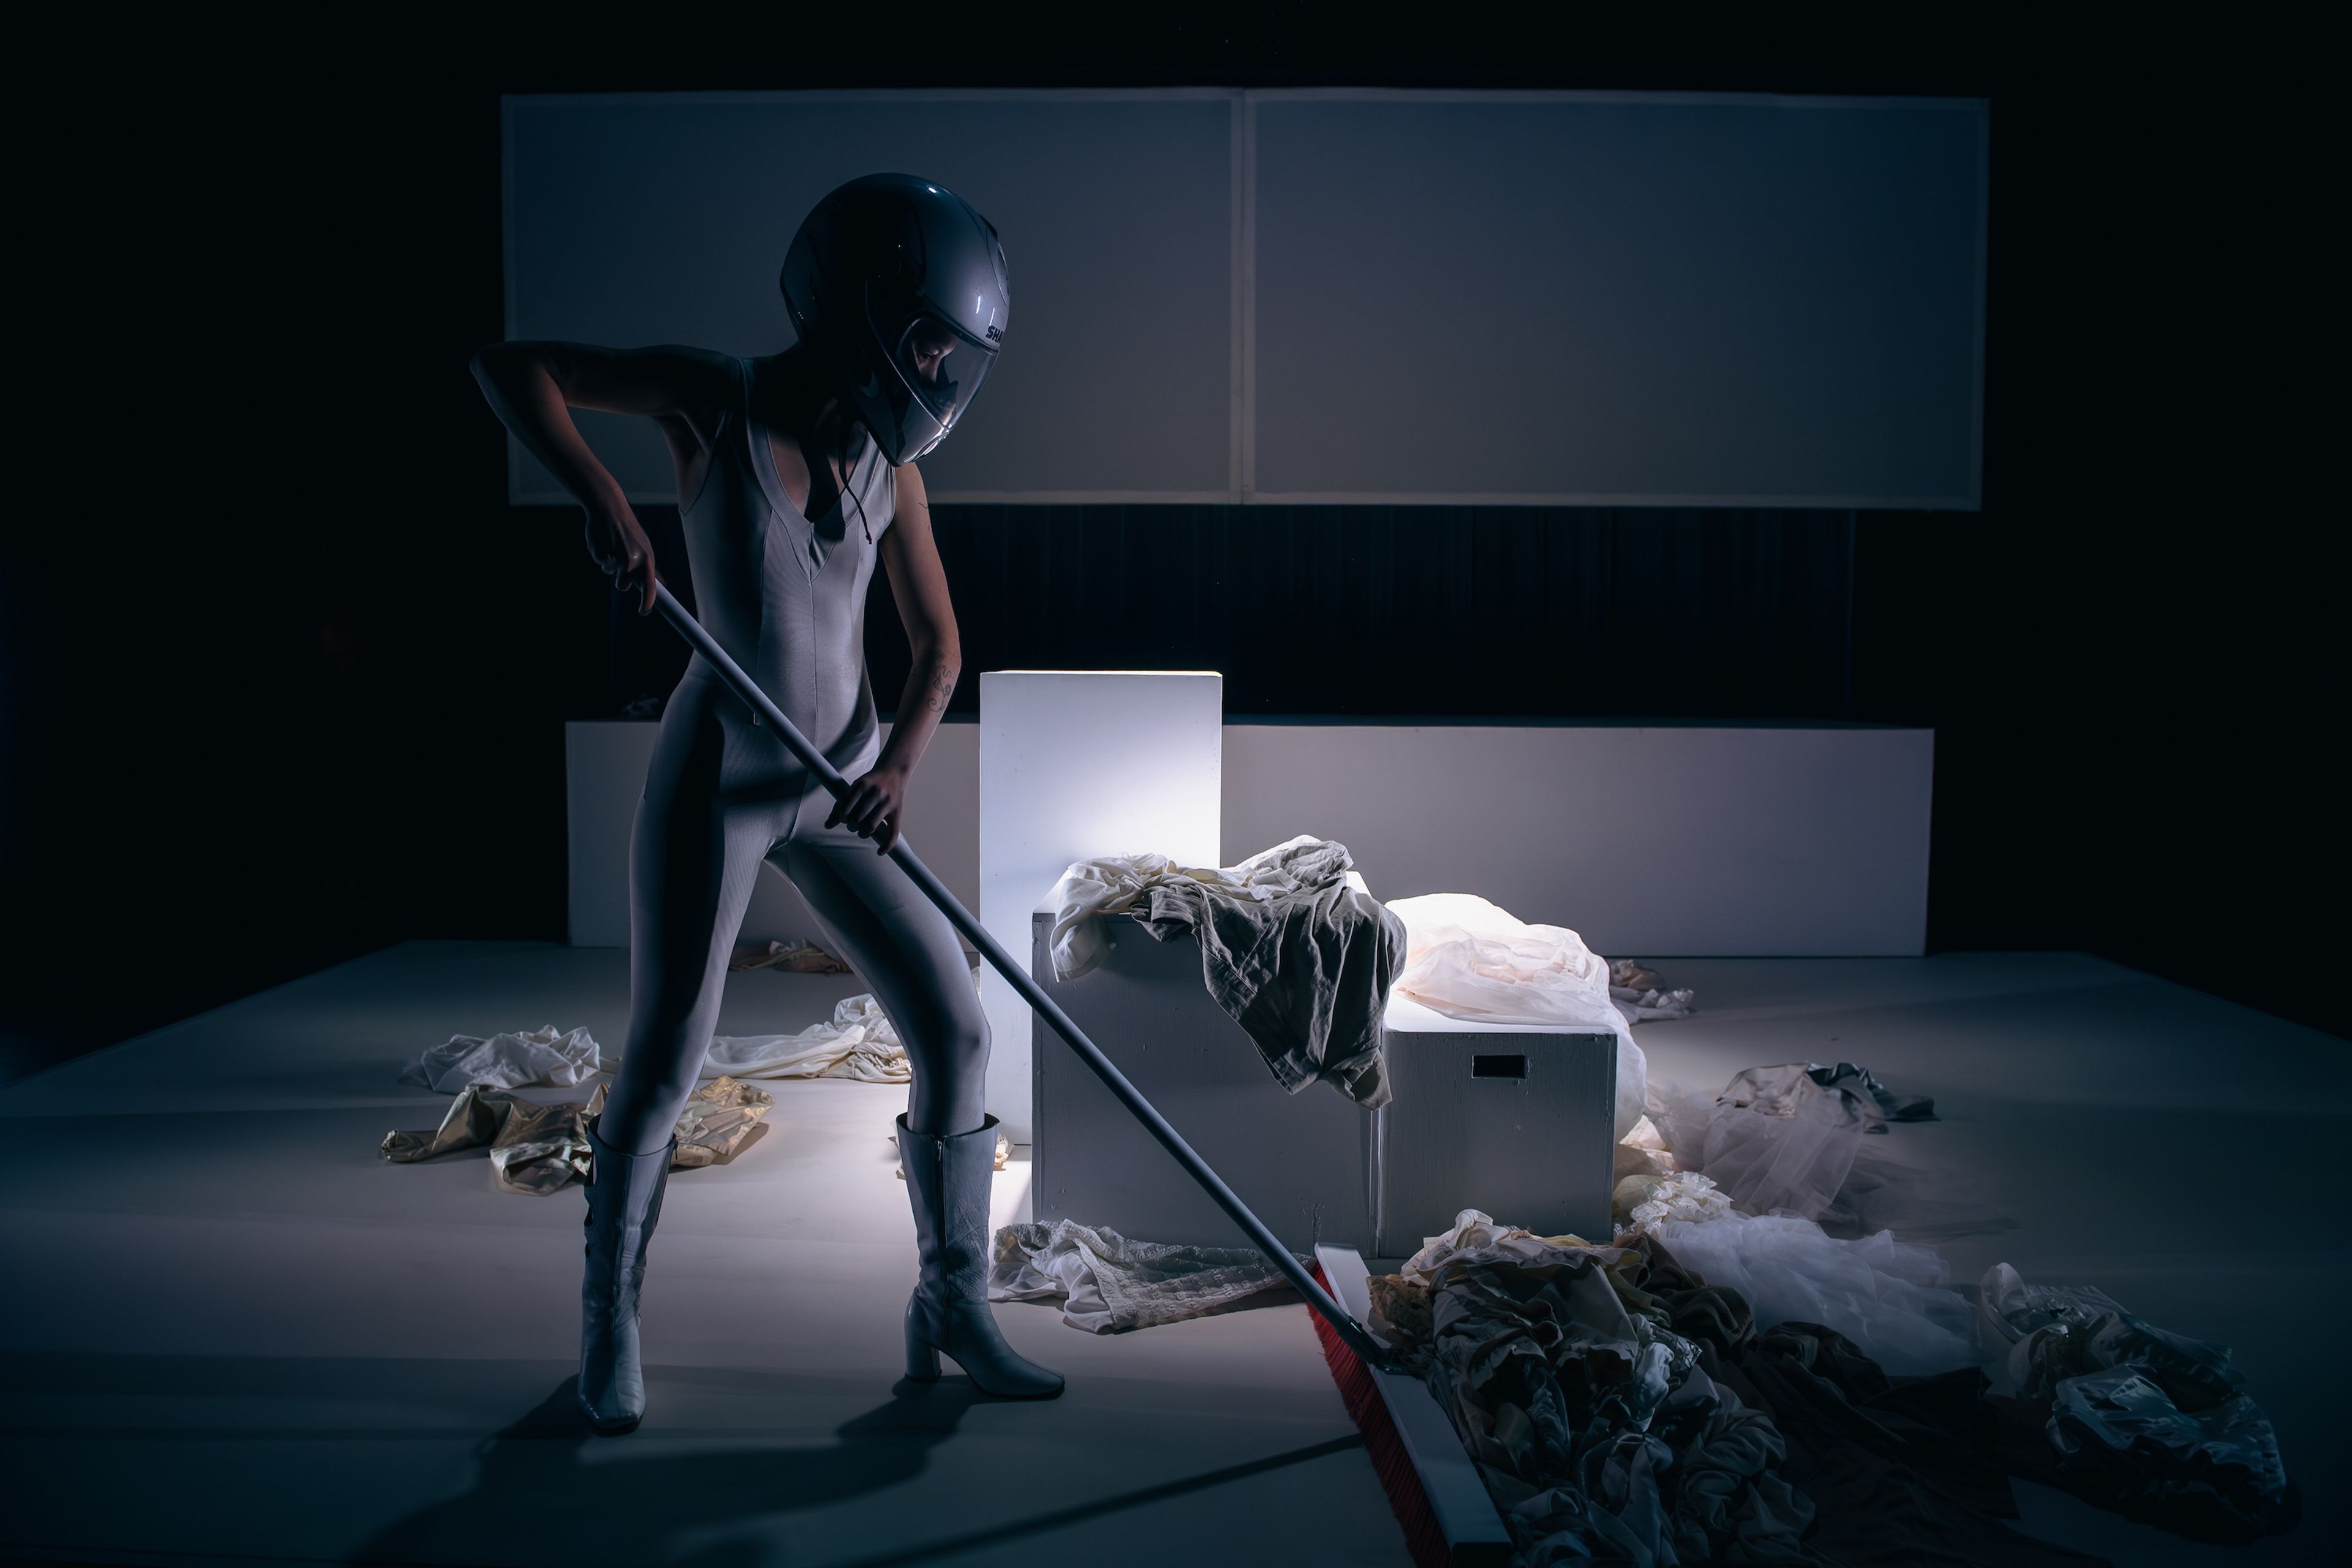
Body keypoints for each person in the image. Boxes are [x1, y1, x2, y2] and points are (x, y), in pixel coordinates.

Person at [472, 173, 1059, 1435]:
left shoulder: (891, 470)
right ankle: (608, 1321)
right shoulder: (715, 398)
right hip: (724, 772)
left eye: (947, 350)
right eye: (924, 337)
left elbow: (941, 646)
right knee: (667, 1052)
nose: (934, 368)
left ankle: (951, 1304)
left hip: (840, 780)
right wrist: (604, 497)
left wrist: (897, 766)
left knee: (957, 1029)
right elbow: (512, 364)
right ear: (858, 308)